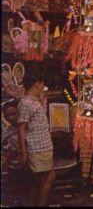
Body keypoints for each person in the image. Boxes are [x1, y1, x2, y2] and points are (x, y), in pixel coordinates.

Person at [17, 72, 55, 207]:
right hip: (37, 147)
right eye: (42, 84)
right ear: (37, 84)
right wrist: (23, 153)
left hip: (43, 146)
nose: (43, 87)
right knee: (46, 178)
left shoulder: (34, 100)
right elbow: (21, 128)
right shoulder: (26, 102)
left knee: (41, 180)